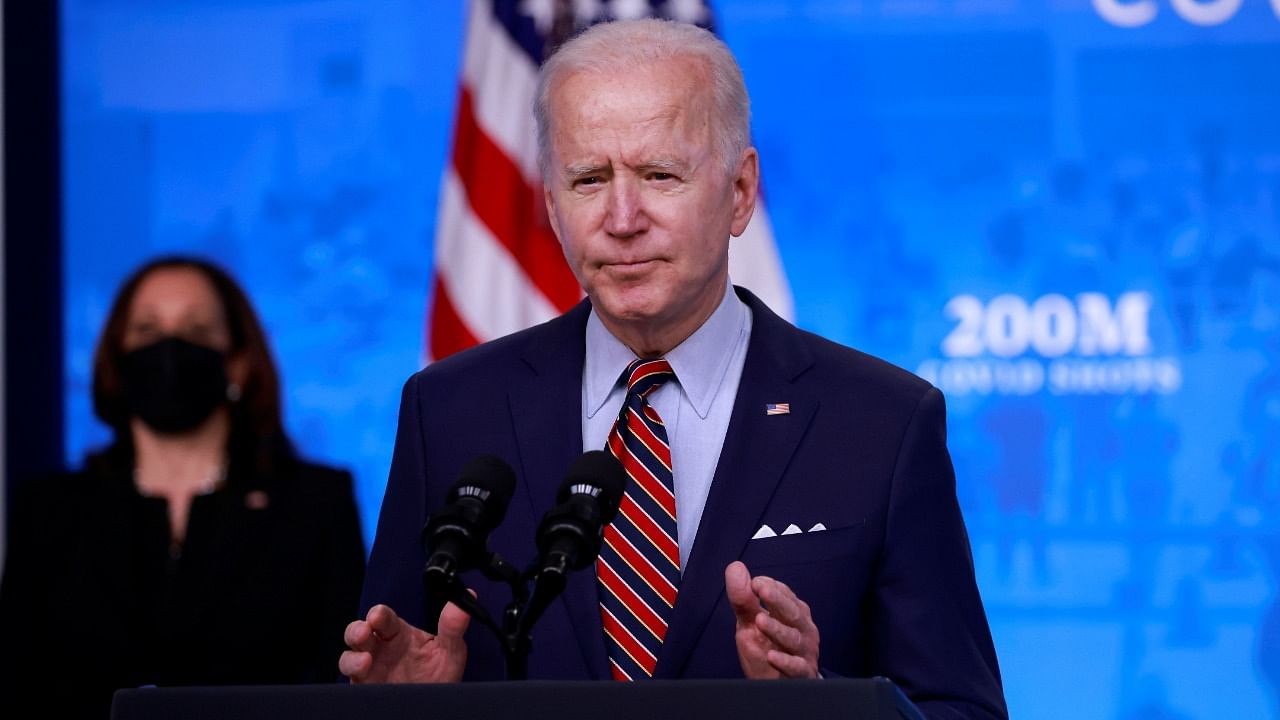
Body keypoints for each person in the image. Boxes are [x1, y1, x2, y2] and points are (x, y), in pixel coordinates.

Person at [344, 18, 1006, 719]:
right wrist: (400, 709)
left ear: (741, 191)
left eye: (660, 175)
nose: (622, 218)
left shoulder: (882, 422)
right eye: (589, 179)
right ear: (549, 203)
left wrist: (820, 702)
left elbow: (959, 710)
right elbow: (391, 670)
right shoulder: (448, 410)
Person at [0, 256, 366, 719]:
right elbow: (17, 685)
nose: (169, 348)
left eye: (194, 331)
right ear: (116, 356)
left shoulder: (316, 504)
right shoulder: (50, 510)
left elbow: (343, 683)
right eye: (147, 331)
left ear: (237, 362)